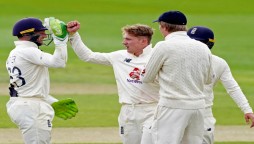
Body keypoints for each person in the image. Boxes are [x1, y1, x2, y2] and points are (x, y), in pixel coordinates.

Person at [67, 21, 160, 144]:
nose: (124, 42)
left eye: (128, 39)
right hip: (127, 111)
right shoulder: (119, 56)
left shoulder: (158, 57)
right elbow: (88, 56)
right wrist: (73, 35)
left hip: (152, 110)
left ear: (143, 41)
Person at [142, 10, 213, 144]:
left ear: (164, 27)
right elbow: (209, 79)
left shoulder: (163, 46)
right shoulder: (203, 47)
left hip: (172, 106)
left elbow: (146, 77)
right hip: (198, 107)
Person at [6, 17, 78, 144]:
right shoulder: (28, 51)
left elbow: (26, 87)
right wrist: (60, 40)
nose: (45, 35)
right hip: (31, 108)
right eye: (41, 32)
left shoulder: (15, 53)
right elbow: (59, 62)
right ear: (27, 34)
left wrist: (50, 101)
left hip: (23, 104)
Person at [187, 26, 254, 144]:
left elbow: (233, 88)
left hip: (203, 115)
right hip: (176, 112)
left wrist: (247, 109)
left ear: (208, 44)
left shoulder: (219, 63)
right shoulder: (175, 59)